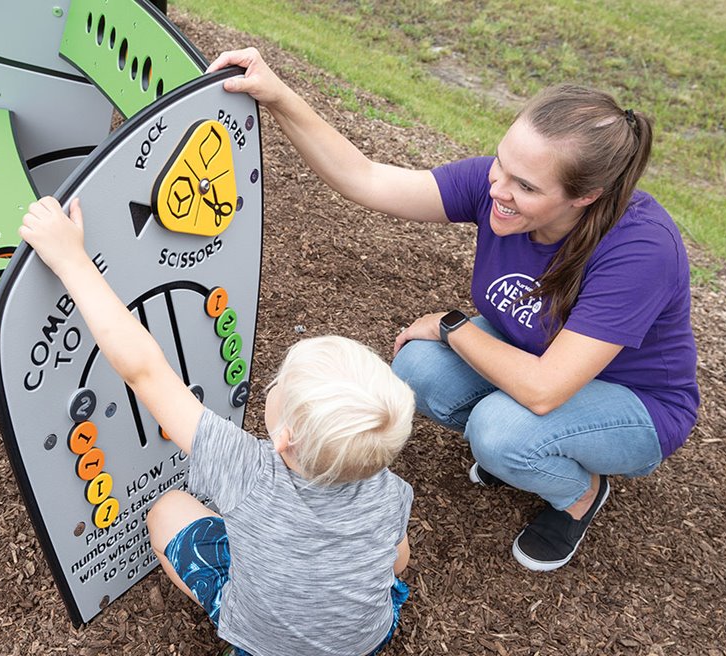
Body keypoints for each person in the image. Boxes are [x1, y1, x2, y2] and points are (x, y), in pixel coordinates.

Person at [207, 48, 699, 572]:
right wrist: (276, 94)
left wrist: (451, 325)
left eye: (525, 187)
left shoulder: (641, 250)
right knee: (416, 368)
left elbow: (544, 388)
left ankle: (580, 493)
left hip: (638, 405)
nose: (498, 191)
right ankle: (523, 453)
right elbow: (367, 180)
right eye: (501, 165)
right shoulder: (501, 186)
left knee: (499, 432)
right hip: (531, 355)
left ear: (586, 196)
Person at [19, 196, 416, 655]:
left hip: (263, 645)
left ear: (285, 437)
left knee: (166, 509)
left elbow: (144, 369)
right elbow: (396, 560)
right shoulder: (389, 491)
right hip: (362, 641)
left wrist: (71, 260)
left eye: (279, 384)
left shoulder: (249, 471)